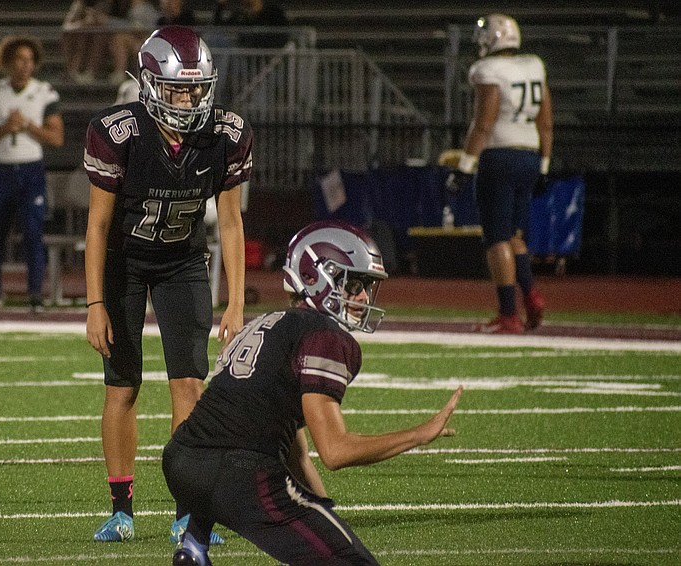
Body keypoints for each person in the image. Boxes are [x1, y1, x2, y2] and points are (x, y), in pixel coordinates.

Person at [162, 220, 463, 566]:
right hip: (239, 475)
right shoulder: (326, 337)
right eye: (354, 285)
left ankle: (194, 544)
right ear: (318, 278)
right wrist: (418, 435)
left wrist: (325, 514)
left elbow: (293, 448)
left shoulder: (269, 322)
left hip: (182, 462)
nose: (364, 297)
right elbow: (335, 451)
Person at [83, 25, 250, 544]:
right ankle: (121, 510)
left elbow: (230, 223)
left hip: (182, 262)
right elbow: (98, 226)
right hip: (124, 266)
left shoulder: (225, 133)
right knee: (123, 385)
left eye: (197, 88)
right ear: (151, 85)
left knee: (189, 385)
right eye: (179, 88)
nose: (190, 98)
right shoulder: (117, 131)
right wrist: (94, 302)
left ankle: (188, 511)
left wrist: (237, 300)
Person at [445, 14, 552, 334]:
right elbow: (545, 122)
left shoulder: (488, 71)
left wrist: (464, 168)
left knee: (496, 238)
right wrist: (545, 165)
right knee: (515, 235)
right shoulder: (534, 65)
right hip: (530, 156)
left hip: (499, 157)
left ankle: (508, 314)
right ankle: (531, 296)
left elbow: (484, 125)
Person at [0, 35, 64, 314]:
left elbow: (56, 137)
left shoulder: (44, 92)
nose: (25, 65)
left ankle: (35, 293)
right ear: (7, 62)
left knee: (33, 235)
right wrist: (5, 129)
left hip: (31, 170)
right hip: (1, 170)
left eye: (29, 60)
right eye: (19, 59)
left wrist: (27, 127)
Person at [61, 0, 117, 84]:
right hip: (84, 35)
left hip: (109, 36)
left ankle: (91, 72)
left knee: (99, 33)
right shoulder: (80, 3)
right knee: (81, 33)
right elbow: (66, 27)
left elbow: (130, 24)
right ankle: (73, 71)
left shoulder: (114, 4)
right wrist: (84, 23)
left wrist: (105, 21)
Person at [107, 0, 161, 86]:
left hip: (148, 46)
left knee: (120, 38)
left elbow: (141, 29)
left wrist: (107, 21)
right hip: (138, 42)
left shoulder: (145, 9)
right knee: (116, 38)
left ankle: (120, 73)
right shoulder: (126, 9)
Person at [213, 0, 289, 48]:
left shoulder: (273, 11)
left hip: (270, 55)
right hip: (245, 59)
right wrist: (221, 6)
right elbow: (220, 27)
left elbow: (284, 33)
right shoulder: (240, 15)